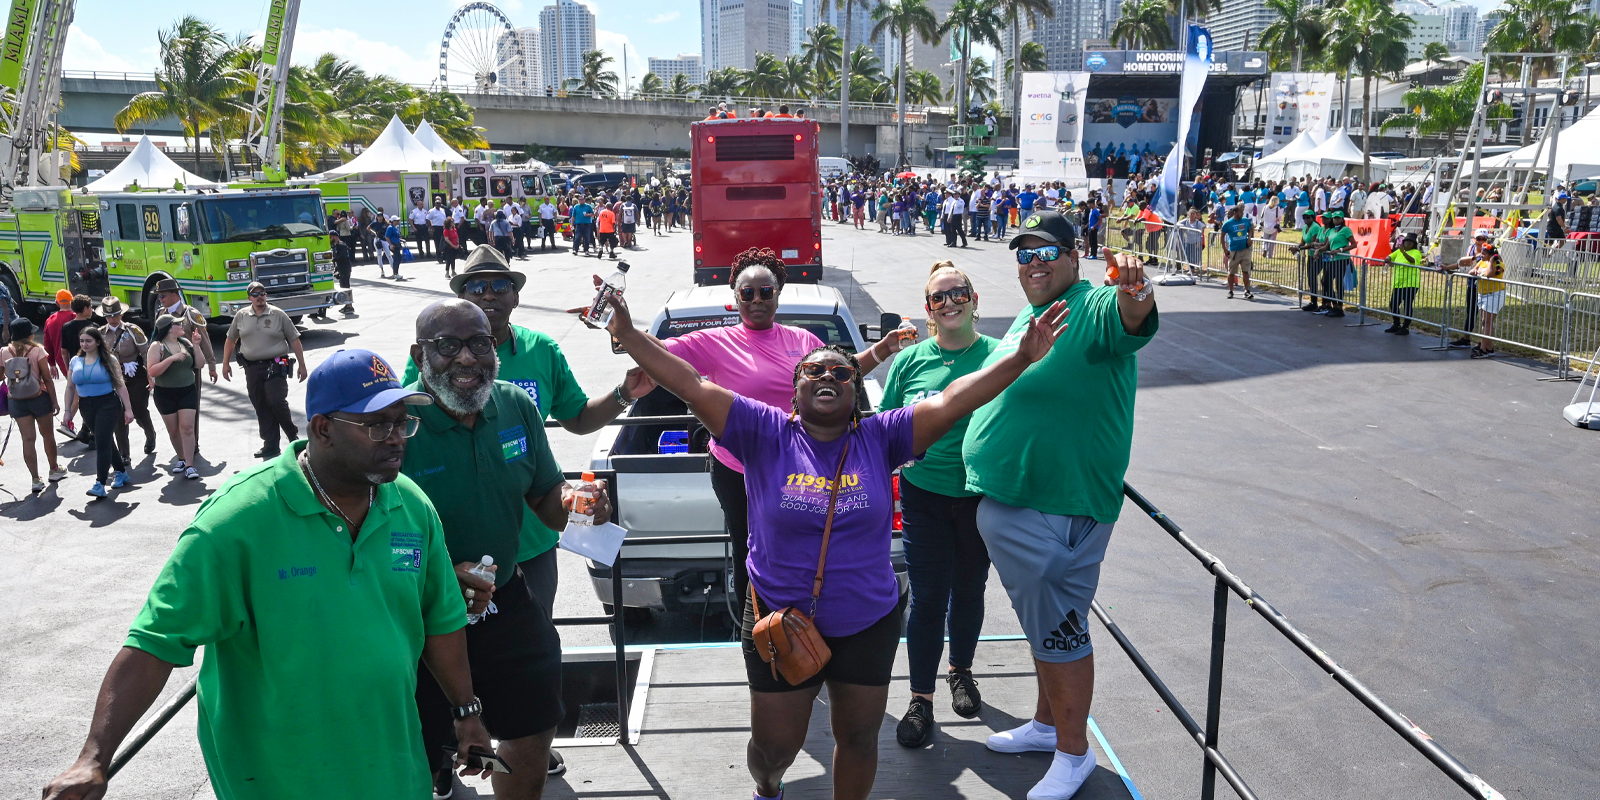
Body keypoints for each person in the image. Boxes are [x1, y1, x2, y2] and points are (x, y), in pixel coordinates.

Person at [601, 266, 1070, 800]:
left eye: (842, 373)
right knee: (773, 747)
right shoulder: (763, 431)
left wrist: (1019, 357)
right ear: (794, 392)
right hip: (780, 621)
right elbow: (689, 381)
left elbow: (953, 399)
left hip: (866, 621)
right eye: (814, 372)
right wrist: (629, 333)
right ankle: (769, 786)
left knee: (859, 736)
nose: (828, 377)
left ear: (856, 390)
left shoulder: (884, 436)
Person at [40, 349, 495, 800]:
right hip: (276, 776)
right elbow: (155, 643)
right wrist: (93, 759)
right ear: (323, 429)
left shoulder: (410, 506)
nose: (397, 438)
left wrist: (466, 711)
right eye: (378, 426)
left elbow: (441, 618)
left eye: (402, 423)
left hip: (392, 769)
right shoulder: (237, 523)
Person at [970, 211, 1157, 800]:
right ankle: (1048, 725)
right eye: (1023, 255)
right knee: (1042, 624)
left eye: (1047, 251)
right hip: (1022, 504)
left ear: (1074, 258)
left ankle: (1073, 755)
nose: (1034, 263)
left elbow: (1133, 318)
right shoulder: (1032, 315)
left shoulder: (1093, 305)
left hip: (1059, 509)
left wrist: (1136, 290)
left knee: (1060, 632)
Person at [403, 299, 609, 800]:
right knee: (423, 745)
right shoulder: (397, 423)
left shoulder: (515, 405)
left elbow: (545, 499)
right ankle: (435, 772)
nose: (467, 359)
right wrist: (441, 576)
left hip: (507, 600)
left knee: (534, 720)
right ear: (420, 353)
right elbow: (360, 533)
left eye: (478, 343)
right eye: (447, 346)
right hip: (421, 614)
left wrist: (585, 506)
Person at [881, 262, 1000, 748]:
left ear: (974, 299)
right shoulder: (911, 361)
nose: (949, 302)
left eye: (958, 293)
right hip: (924, 495)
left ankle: (962, 671)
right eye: (938, 298)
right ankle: (921, 699)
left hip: (980, 496)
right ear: (928, 309)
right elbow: (888, 420)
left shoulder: (998, 355)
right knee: (928, 598)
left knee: (970, 590)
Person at [222, 282, 308, 459]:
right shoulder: (241, 316)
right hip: (252, 367)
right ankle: (270, 444)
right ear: (249, 298)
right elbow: (231, 340)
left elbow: (295, 340)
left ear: (266, 295)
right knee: (260, 403)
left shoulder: (278, 314)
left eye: (262, 293)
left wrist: (302, 364)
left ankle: (292, 435)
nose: (259, 297)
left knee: (276, 400)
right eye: (255, 294)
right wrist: (225, 363)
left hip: (276, 364)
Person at [65, 326, 134, 497]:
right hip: (86, 406)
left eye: (88, 341)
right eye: (82, 341)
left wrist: (129, 409)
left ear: (97, 342)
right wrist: (67, 411)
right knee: (106, 441)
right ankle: (121, 471)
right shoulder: (75, 361)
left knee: (101, 443)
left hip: (108, 404)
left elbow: (120, 385)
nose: (85, 344)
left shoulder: (108, 360)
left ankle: (100, 483)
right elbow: (69, 387)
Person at [5, 318, 66, 491]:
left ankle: (35, 479)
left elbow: (2, 376)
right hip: (39, 397)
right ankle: (54, 469)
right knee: (48, 435)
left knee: (28, 439)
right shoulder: (37, 350)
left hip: (17, 401)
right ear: (29, 334)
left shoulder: (4, 352)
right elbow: (47, 377)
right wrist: (54, 400)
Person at [147, 313, 205, 480]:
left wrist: (197, 346)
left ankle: (189, 465)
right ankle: (181, 458)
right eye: (178, 324)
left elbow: (199, 364)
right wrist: (170, 359)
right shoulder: (157, 346)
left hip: (187, 390)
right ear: (169, 328)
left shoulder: (185, 343)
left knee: (187, 427)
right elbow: (152, 371)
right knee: (173, 429)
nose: (182, 326)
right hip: (165, 393)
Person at [99, 298, 157, 460]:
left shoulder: (133, 330)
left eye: (116, 315)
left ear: (121, 314)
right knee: (118, 415)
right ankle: (124, 454)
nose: (112, 319)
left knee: (138, 410)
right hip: (115, 377)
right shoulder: (101, 333)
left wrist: (150, 375)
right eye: (109, 316)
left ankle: (150, 433)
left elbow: (146, 353)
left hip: (135, 375)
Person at [1384, 233, 1424, 336]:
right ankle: (1396, 324)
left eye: (1410, 242)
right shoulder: (1399, 251)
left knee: (1407, 304)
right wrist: (1388, 258)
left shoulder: (1416, 252)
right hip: (1398, 283)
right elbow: (1390, 256)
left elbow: (1412, 261)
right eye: (1406, 241)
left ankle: (1406, 326)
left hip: (1410, 283)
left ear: (1414, 244)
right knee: (1393, 303)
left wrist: (1403, 252)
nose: (1407, 243)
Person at [1469, 247, 1506, 358]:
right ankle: (1489, 348)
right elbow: (1471, 271)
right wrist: (1477, 270)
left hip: (1494, 295)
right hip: (1483, 294)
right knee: (1486, 323)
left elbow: (1489, 274)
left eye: (1484, 254)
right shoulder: (1481, 262)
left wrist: (1491, 262)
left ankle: (1483, 349)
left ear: (1491, 255)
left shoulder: (1499, 265)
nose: (1481, 255)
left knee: (1487, 323)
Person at [1318, 211, 1355, 317]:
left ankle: (1339, 307)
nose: (1336, 220)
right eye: (1334, 218)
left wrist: (1340, 249)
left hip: (1342, 259)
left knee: (1339, 283)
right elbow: (1327, 246)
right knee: (1325, 281)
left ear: (1342, 219)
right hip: (1332, 259)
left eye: (1338, 218)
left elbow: (1354, 244)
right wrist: (1318, 251)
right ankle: (1334, 304)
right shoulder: (1331, 230)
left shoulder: (1346, 230)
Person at [1291, 210, 1325, 312]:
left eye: (1308, 217)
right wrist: (1296, 247)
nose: (1306, 219)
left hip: (1318, 256)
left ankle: (1316, 302)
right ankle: (1313, 301)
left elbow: (1313, 244)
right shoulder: (1305, 227)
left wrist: (1300, 249)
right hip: (1310, 256)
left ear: (1312, 217)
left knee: (1313, 276)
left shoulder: (1315, 227)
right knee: (1310, 278)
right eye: (1304, 217)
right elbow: (1303, 242)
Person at [1220, 205, 1255, 300]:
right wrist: (1225, 249)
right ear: (1235, 212)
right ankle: (1231, 291)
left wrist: (1249, 238)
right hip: (1234, 251)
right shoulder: (1228, 223)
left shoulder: (1245, 220)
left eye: (1242, 212)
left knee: (1246, 271)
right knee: (1231, 272)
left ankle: (1247, 290)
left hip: (1245, 250)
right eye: (1240, 212)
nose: (1242, 213)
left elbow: (1251, 228)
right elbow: (1222, 236)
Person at [41, 289, 75, 379]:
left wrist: (52, 364)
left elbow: (47, 344)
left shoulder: (50, 320)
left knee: (71, 386)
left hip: (61, 360)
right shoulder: (75, 317)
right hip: (78, 359)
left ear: (57, 303)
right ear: (72, 301)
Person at [1176, 207, 1207, 275]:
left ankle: (1194, 268)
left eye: (1193, 214)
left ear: (1195, 215)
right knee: (1188, 255)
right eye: (1191, 214)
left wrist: (1199, 242)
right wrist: (1182, 226)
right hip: (1188, 241)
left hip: (1195, 241)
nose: (1192, 215)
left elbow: (1200, 232)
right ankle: (1191, 268)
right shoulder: (1186, 221)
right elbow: (1178, 223)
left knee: (1194, 255)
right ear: (1188, 214)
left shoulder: (1198, 223)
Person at [386, 215, 406, 279]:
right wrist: (390, 244)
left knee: (397, 258)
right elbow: (387, 237)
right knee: (397, 258)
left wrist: (401, 240)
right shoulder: (390, 228)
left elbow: (396, 236)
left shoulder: (395, 227)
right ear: (393, 221)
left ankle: (395, 273)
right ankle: (395, 273)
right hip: (394, 245)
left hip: (397, 244)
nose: (398, 222)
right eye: (396, 221)